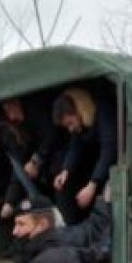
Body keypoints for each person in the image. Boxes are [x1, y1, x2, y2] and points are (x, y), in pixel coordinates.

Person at [51, 88, 118, 224]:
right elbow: (75, 145)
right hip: (99, 167)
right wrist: (66, 170)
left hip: (113, 166)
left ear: (78, 112)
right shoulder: (80, 124)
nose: (70, 129)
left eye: (70, 123)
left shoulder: (103, 110)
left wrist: (93, 184)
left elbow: (109, 149)